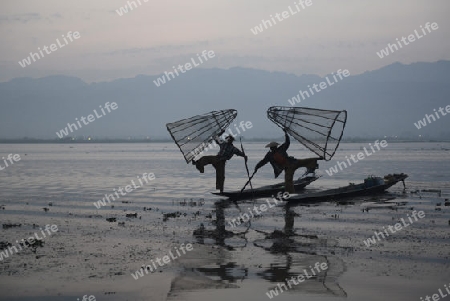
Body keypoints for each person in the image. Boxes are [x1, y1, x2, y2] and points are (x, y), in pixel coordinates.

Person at [254, 129, 321, 193]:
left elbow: (287, 142)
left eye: (273, 147)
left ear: (276, 147)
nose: (272, 148)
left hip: (292, 162)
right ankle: (290, 193)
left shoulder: (281, 149)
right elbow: (263, 162)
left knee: (307, 161)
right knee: (288, 180)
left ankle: (317, 160)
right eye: (272, 148)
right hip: (287, 167)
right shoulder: (269, 155)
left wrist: (286, 134)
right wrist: (257, 167)